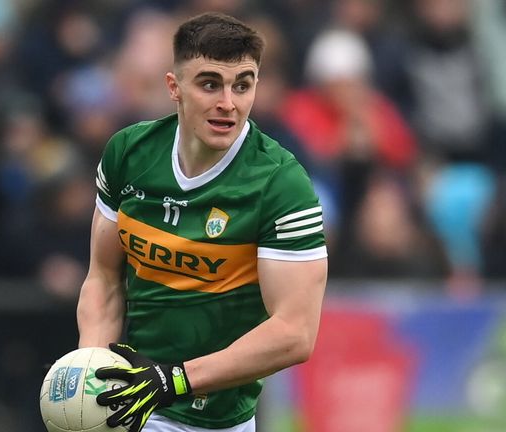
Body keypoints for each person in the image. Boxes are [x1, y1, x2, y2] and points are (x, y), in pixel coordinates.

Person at [76, 12, 328, 432]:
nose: (228, 103)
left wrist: (173, 380)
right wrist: (91, 373)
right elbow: (103, 278)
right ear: (174, 87)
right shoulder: (128, 153)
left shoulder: (281, 184)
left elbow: (295, 332)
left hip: (214, 421)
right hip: (130, 408)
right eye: (210, 84)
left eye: (242, 85)